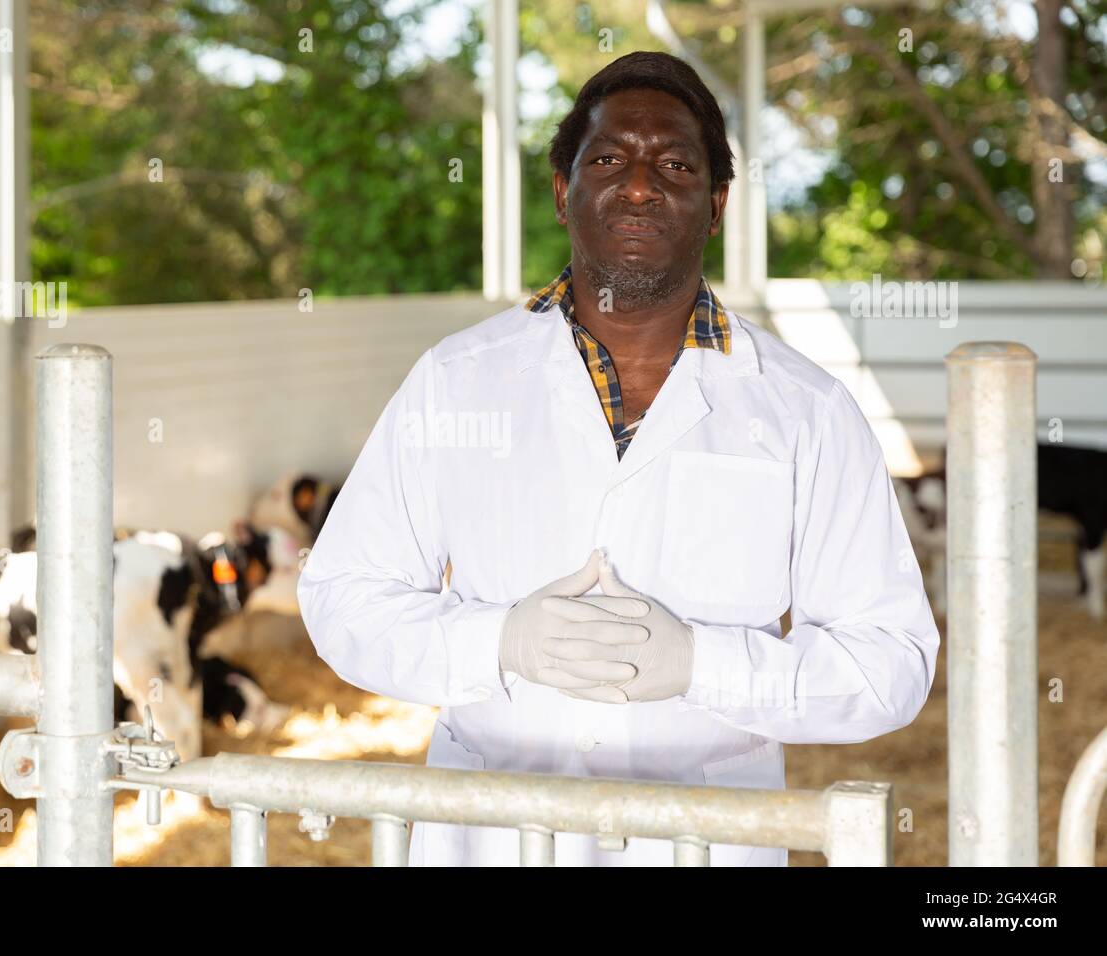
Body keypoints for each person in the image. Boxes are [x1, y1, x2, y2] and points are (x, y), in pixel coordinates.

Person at [296, 50, 940, 866]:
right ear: (565, 191)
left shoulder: (805, 409)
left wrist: (704, 665)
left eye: (674, 163)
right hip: (489, 835)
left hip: (706, 840)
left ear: (715, 206)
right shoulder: (455, 381)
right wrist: (498, 645)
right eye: (608, 159)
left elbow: (890, 662)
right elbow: (342, 598)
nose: (639, 184)